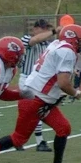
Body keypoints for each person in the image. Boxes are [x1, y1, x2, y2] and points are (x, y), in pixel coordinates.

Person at [0, 24, 81, 163]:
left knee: (63, 128)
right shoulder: (67, 51)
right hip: (35, 99)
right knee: (18, 139)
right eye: (80, 41)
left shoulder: (57, 44)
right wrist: (75, 93)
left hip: (41, 98)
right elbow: (63, 83)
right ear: (73, 40)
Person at [19, 18, 57, 152]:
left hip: (38, 81)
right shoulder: (26, 39)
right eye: (43, 28)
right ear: (35, 29)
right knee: (35, 110)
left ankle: (18, 139)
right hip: (27, 79)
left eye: (47, 28)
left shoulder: (47, 44)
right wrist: (53, 31)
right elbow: (34, 40)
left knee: (30, 112)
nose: (46, 31)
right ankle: (39, 141)